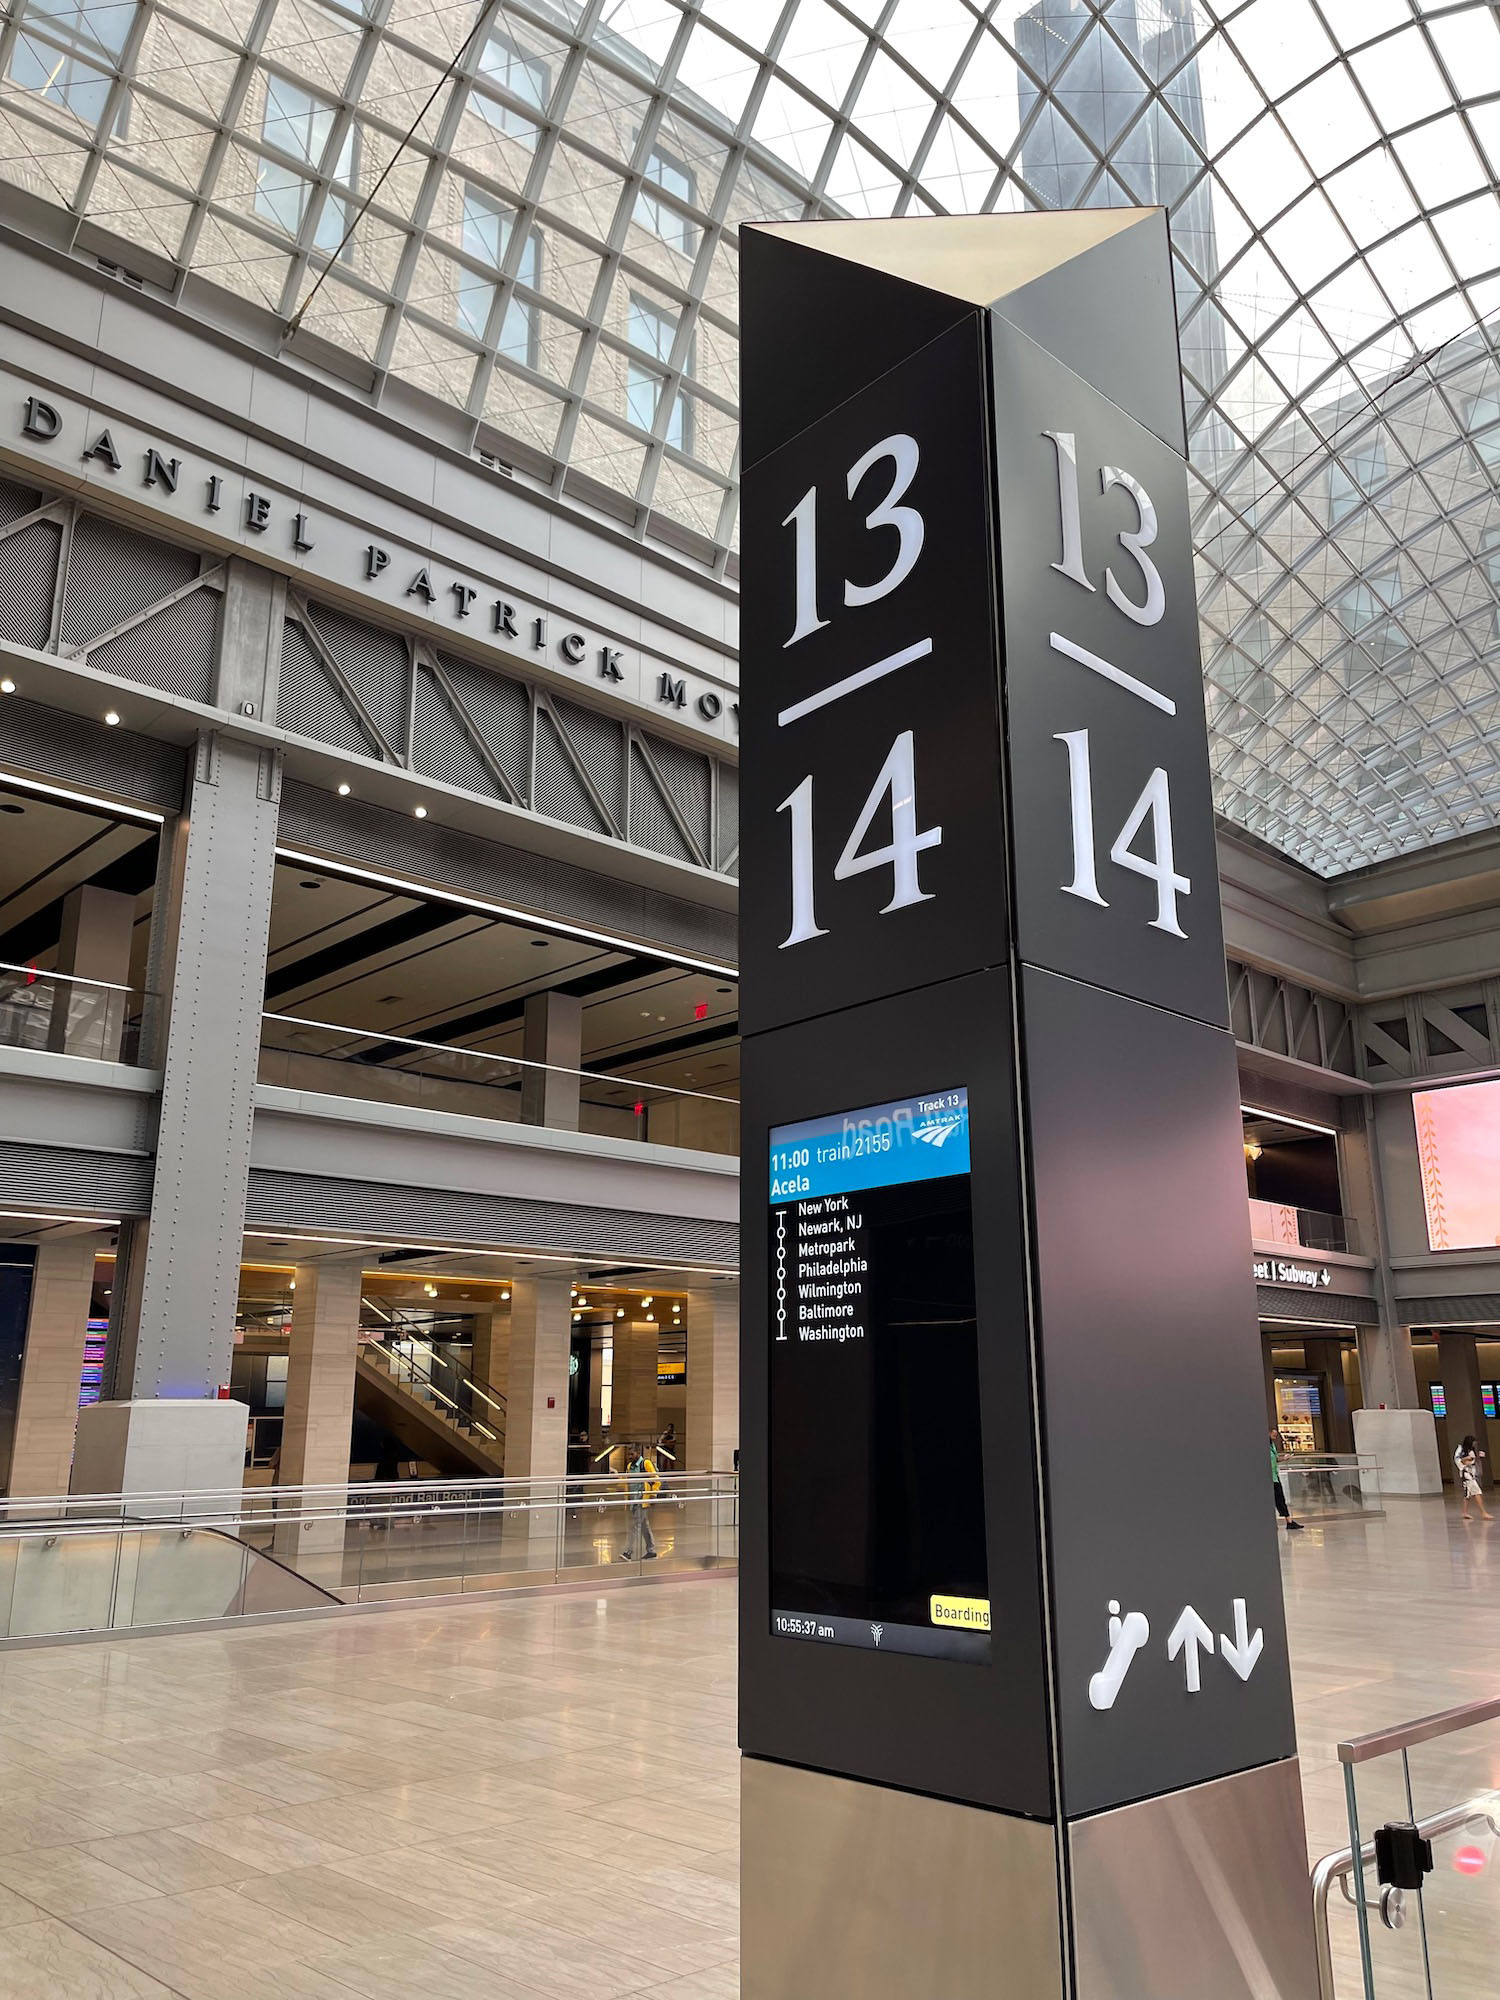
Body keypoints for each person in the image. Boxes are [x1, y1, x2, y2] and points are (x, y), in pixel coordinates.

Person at [620, 1444, 660, 1561]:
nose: (630, 1457)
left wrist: (653, 1495)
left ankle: (629, 1552)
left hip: (642, 1500)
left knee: (635, 1525)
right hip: (634, 1500)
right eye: (628, 1454)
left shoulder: (646, 1464)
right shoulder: (629, 1466)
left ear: (638, 1453)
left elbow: (656, 1480)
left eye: (632, 1454)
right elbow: (627, 1482)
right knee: (644, 1526)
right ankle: (651, 1550)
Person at [1270, 1430, 1304, 1532]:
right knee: (1277, 1499)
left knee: (1280, 1498)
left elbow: (1275, 1459)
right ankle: (1287, 1521)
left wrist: (1284, 1458)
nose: (1275, 1437)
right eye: (1273, 1435)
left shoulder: (1272, 1446)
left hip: (1274, 1476)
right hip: (1270, 1477)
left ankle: (1289, 1521)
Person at [1455, 1435, 1492, 1522]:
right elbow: (1459, 1461)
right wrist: (1466, 1459)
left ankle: (1464, 1512)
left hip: (1471, 1474)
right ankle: (1483, 1512)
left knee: (1467, 1495)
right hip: (1467, 1475)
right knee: (1477, 1492)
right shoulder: (1461, 1450)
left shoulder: (1471, 1450)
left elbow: (1473, 1460)